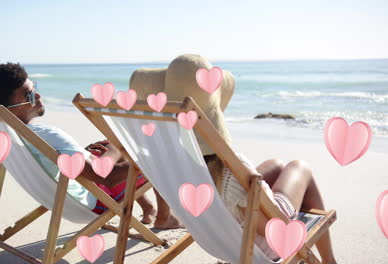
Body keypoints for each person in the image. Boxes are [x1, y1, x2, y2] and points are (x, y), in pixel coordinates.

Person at [129, 54, 337, 263]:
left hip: (217, 237)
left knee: (276, 165)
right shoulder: (229, 170)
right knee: (299, 167)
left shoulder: (166, 161)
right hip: (258, 246)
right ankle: (329, 261)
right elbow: (270, 230)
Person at [0, 62, 183, 229]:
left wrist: (110, 151)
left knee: (111, 149)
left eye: (36, 89)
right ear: (9, 109)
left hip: (64, 199)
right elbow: (109, 178)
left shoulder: (4, 136)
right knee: (150, 150)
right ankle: (165, 218)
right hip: (95, 203)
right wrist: (126, 149)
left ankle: (149, 210)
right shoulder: (49, 136)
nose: (39, 97)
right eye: (30, 96)